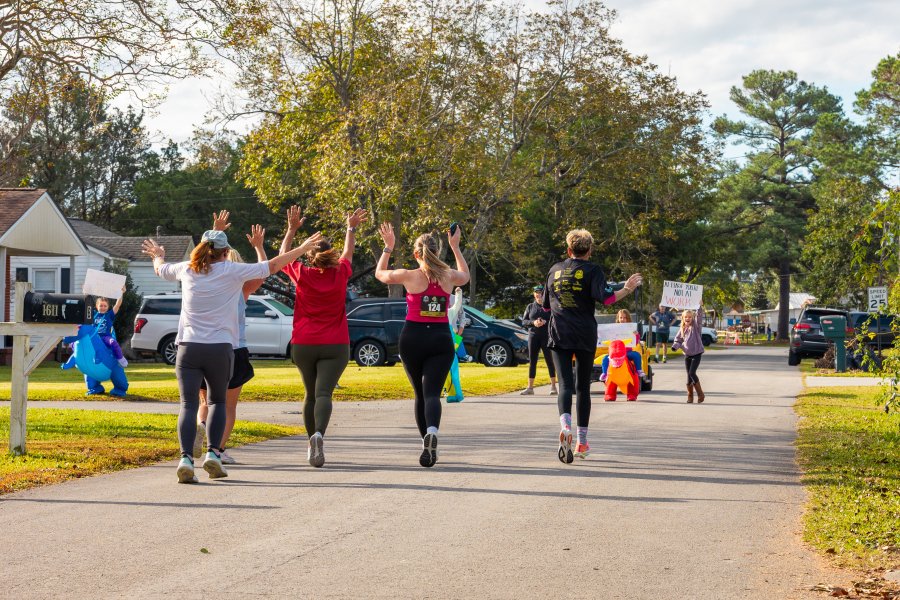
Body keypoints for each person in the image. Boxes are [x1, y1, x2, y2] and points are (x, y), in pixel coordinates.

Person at [142, 226, 323, 484]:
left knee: (189, 404)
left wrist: (158, 254)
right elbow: (271, 266)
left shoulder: (186, 269)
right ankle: (214, 454)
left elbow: (160, 268)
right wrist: (302, 249)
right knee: (217, 403)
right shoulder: (232, 270)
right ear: (226, 252)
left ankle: (185, 459)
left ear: (200, 249)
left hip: (187, 349)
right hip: (220, 348)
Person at [279, 205, 368, 468]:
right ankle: (319, 435)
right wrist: (350, 227)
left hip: (304, 343)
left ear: (310, 257)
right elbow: (348, 252)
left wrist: (292, 230)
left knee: (309, 393)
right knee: (324, 394)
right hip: (336, 343)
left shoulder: (302, 273)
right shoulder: (340, 272)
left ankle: (310, 442)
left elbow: (283, 256)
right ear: (331, 254)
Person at [375, 222, 469, 467]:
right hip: (440, 338)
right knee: (432, 394)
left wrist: (388, 247)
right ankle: (433, 432)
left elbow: (380, 274)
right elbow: (465, 276)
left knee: (419, 393)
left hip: (413, 338)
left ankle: (425, 441)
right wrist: (455, 247)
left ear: (417, 254)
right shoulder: (448, 276)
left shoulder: (409, 275)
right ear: (436, 253)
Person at [544, 229, 641, 463]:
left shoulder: (554, 270)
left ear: (568, 250)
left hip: (558, 333)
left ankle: (565, 426)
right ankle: (581, 441)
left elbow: (547, 306)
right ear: (589, 250)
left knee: (565, 385)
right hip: (584, 333)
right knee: (583, 388)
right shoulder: (593, 270)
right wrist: (627, 288)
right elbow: (607, 298)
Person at [195, 214, 269, 464]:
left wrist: (214, 232)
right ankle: (217, 450)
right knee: (227, 405)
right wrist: (259, 246)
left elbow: (202, 255)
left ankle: (201, 425)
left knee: (205, 400)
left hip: (199, 346)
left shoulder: (198, 278)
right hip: (234, 348)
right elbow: (264, 270)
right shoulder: (242, 286)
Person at [520, 284, 558, 395]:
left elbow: (555, 320)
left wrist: (546, 322)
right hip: (533, 336)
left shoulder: (550, 306)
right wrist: (533, 322)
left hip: (547, 337)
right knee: (532, 361)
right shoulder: (530, 307)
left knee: (549, 361)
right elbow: (524, 322)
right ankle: (530, 387)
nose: (539, 296)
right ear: (534, 294)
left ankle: (553, 386)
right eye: (537, 293)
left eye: (541, 293)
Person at [599, 308, 645, 382]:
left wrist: (636, 335)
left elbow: (635, 343)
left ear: (628, 318)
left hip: (627, 352)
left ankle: (638, 370)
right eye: (621, 317)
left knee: (636, 355)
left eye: (625, 318)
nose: (622, 319)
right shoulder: (613, 328)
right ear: (618, 318)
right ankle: (604, 373)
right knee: (605, 358)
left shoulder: (631, 329)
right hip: (615, 352)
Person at [672, 306, 706, 403]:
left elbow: (699, 317)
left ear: (692, 318)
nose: (688, 318)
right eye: (686, 317)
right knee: (688, 376)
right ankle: (690, 396)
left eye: (690, 317)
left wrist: (699, 307)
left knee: (692, 373)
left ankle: (700, 394)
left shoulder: (696, 327)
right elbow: (678, 340)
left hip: (697, 353)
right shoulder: (682, 329)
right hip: (687, 354)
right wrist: (675, 346)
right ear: (683, 318)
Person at [93, 288, 128, 368]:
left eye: (105, 306)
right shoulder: (93, 314)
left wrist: (121, 293)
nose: (103, 307)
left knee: (113, 342)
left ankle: (120, 359)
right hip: (95, 338)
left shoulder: (109, 315)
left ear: (108, 307)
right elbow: (85, 305)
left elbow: (118, 304)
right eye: (101, 305)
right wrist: (85, 292)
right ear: (96, 306)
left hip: (106, 337)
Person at [444, 287, 466, 403]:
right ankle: (452, 393)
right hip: (448, 342)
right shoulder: (449, 312)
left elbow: (458, 306)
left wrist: (458, 293)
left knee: (450, 369)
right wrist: (459, 293)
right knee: (451, 369)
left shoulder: (448, 312)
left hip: (451, 340)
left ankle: (451, 393)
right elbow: (457, 304)